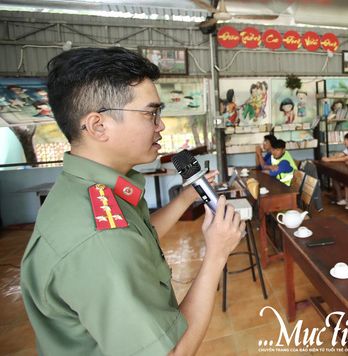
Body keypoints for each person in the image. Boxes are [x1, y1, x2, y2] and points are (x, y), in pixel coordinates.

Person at [21, 47, 245, 355]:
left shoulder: (92, 190)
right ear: (99, 126)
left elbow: (138, 234)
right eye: (150, 113)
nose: (161, 125)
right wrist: (216, 254)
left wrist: (186, 197)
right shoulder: (99, 240)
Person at [321, 132, 348, 204]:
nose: (345, 141)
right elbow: (339, 155)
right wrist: (327, 158)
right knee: (335, 177)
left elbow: (345, 158)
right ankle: (339, 197)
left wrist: (329, 160)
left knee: (341, 177)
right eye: (345, 140)